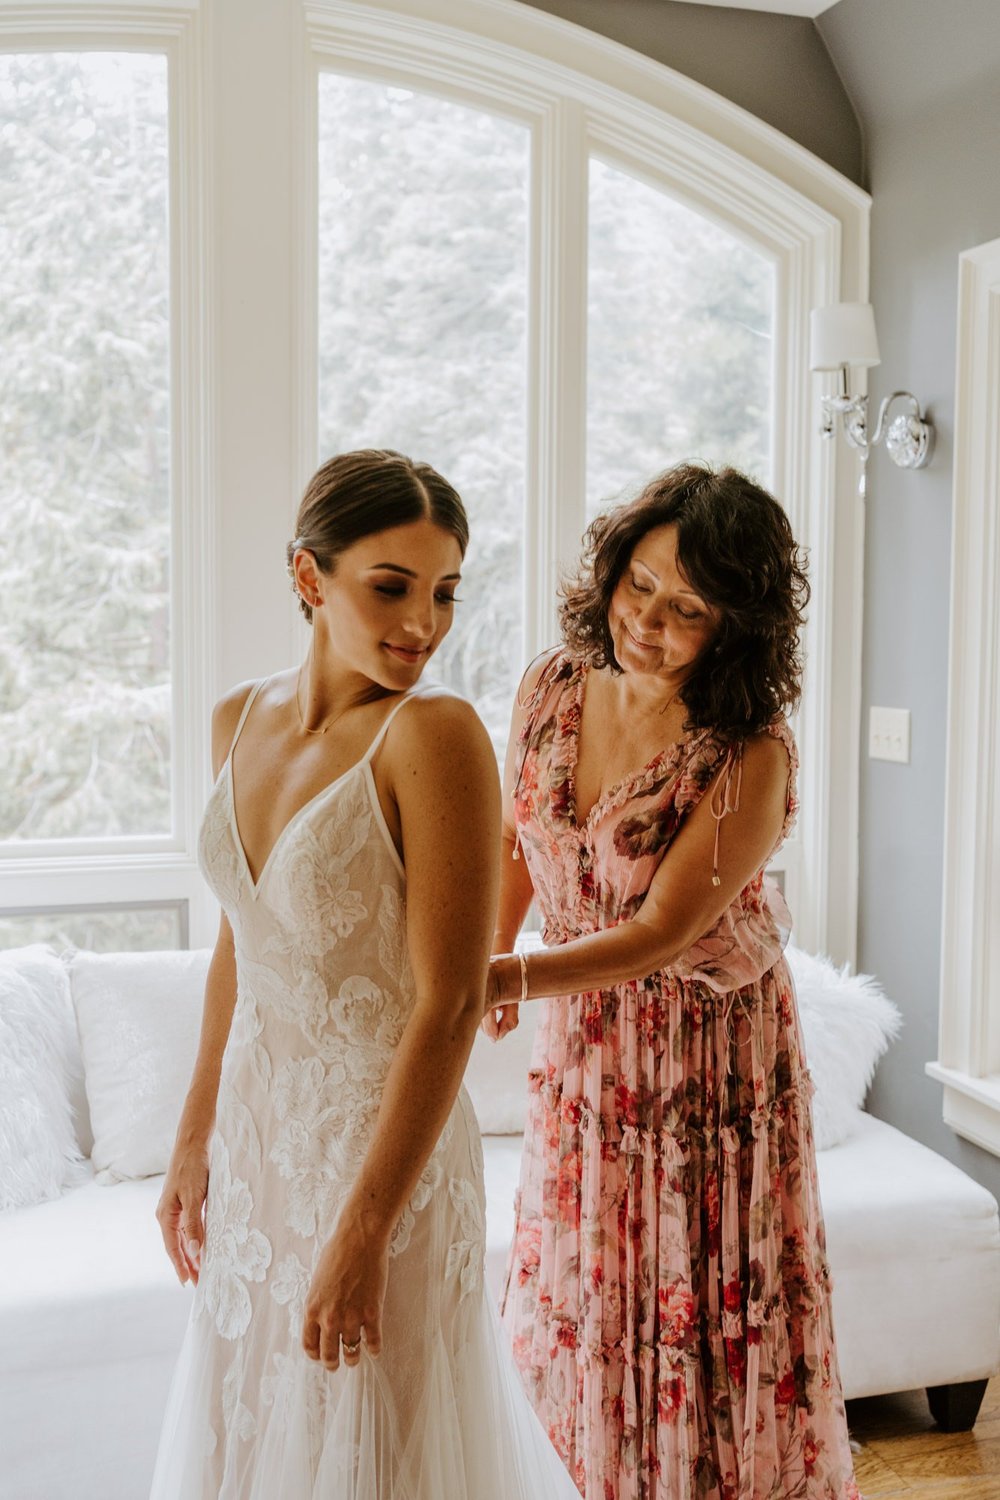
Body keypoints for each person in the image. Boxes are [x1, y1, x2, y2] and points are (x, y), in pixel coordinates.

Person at [150, 449, 581, 1499]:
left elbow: (448, 1004)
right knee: (258, 1423)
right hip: (261, 1150)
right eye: (391, 588)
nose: (424, 625)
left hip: (381, 1161)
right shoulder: (234, 721)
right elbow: (238, 947)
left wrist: (363, 1230)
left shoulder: (433, 735)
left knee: (381, 1446)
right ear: (310, 578)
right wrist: (194, 1134)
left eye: (444, 594)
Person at [484, 463, 860, 1500]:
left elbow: (656, 936)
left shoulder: (749, 752)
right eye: (639, 583)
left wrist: (509, 972)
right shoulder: (552, 684)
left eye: (687, 608)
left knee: (695, 1306)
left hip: (703, 1059)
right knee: (590, 1292)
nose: (646, 619)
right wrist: (505, 954)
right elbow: (521, 839)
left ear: (733, 625)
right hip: (583, 1045)